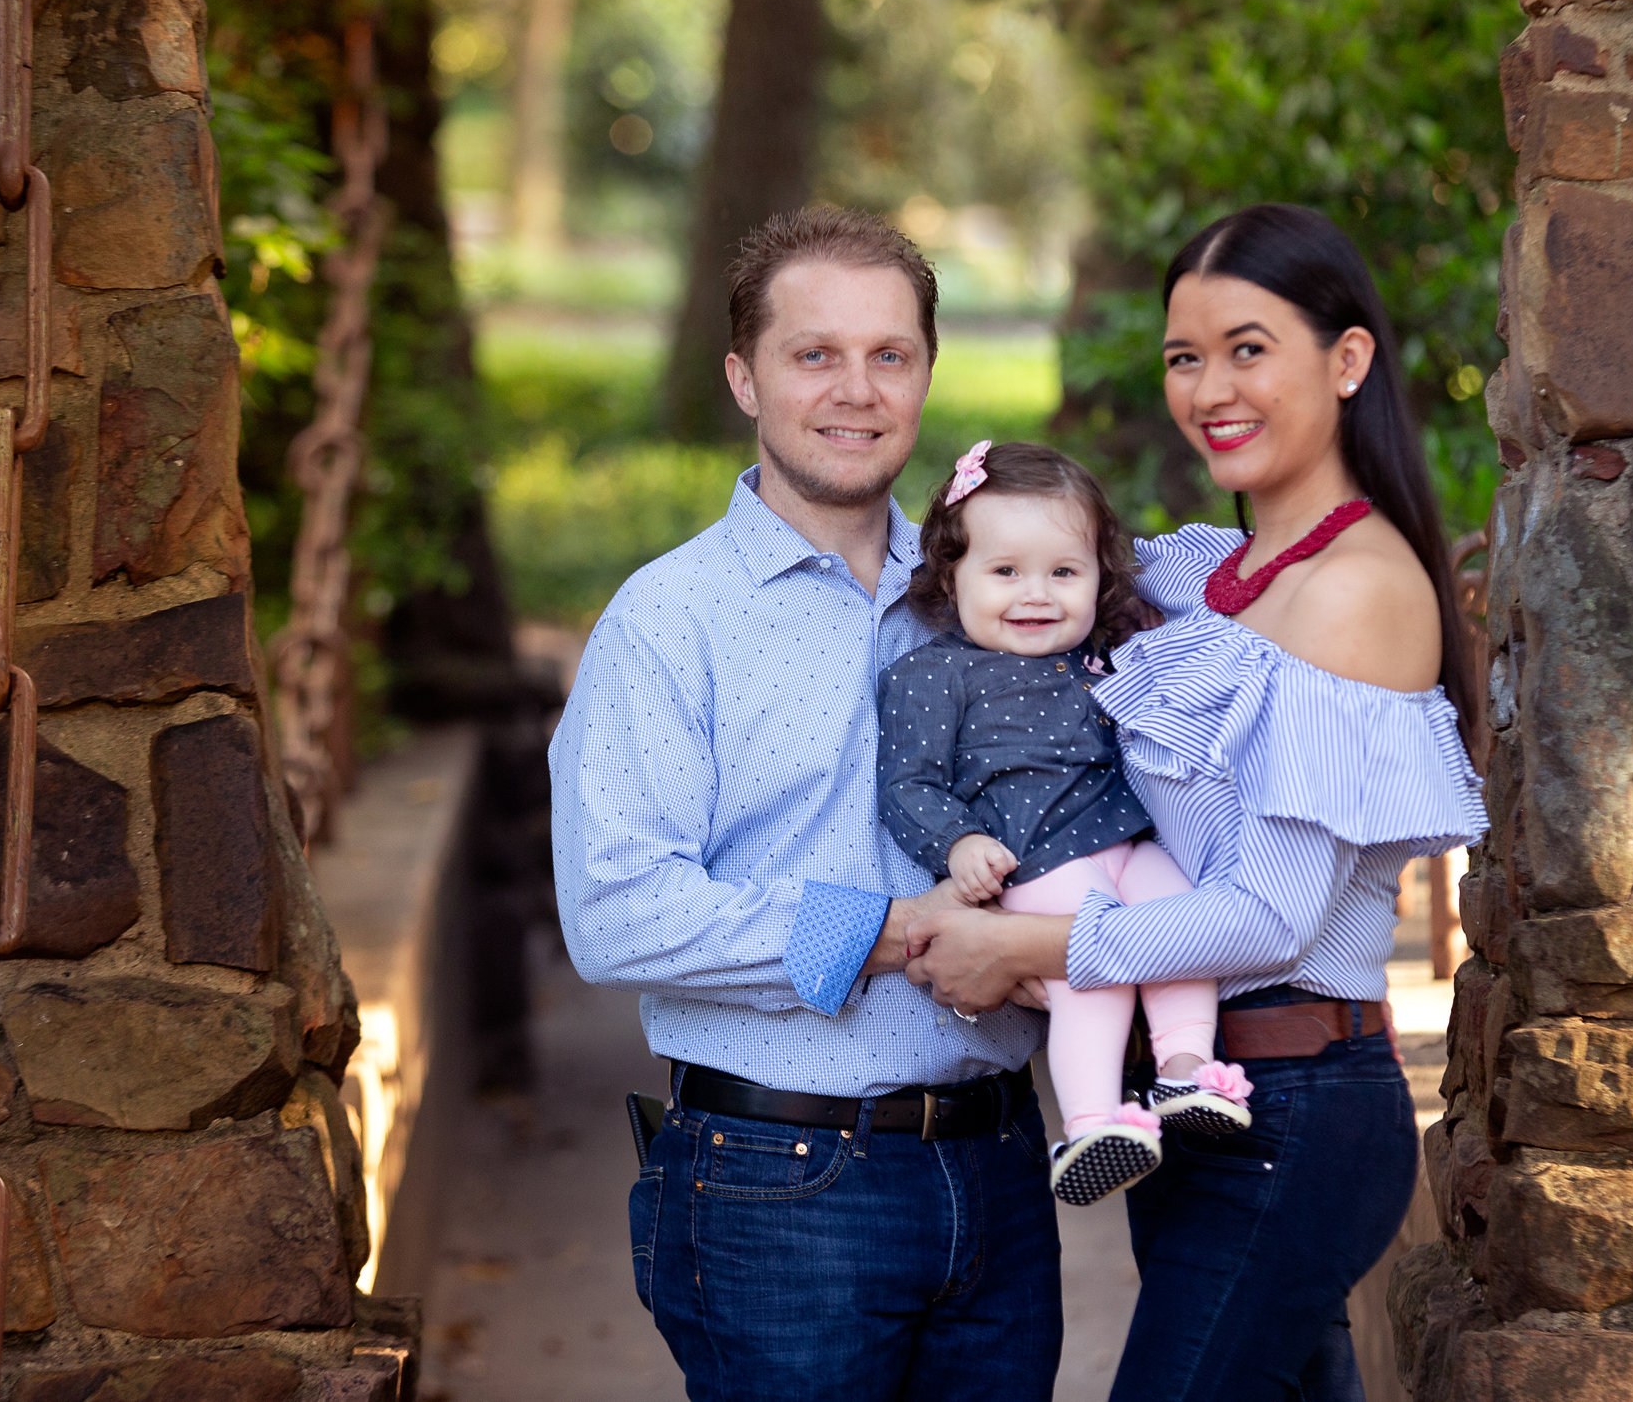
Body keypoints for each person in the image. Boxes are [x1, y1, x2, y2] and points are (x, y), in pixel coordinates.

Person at [904, 203, 1488, 1401]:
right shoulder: (1197, 577)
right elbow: (1022, 582)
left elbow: (1269, 915)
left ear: (1348, 358)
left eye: (1247, 346)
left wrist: (1022, 942)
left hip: (1295, 1108)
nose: (1208, 385)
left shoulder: (1357, 592)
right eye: (1184, 355)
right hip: (1195, 1095)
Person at [550, 206, 1061, 1402]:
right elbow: (618, 911)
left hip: (996, 1163)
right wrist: (898, 934)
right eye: (814, 353)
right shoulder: (668, 622)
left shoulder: (990, 591)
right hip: (776, 1182)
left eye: (890, 354)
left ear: (929, 372)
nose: (857, 389)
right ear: (743, 375)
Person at [877, 439, 1254, 1207]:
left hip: (1127, 840)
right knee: (1095, 956)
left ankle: (1185, 1067)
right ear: (951, 577)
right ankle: (1091, 1119)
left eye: (1064, 571)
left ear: (1098, 579)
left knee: (1178, 915)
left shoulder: (1105, 657)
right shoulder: (933, 671)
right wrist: (959, 842)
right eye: (1005, 571)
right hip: (1040, 863)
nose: (1036, 594)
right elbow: (907, 783)